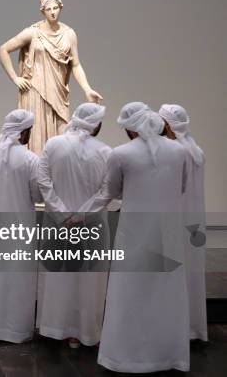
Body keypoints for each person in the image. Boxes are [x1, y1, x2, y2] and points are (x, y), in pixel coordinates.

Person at [80, 102, 189, 372]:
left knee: (131, 293)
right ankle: (168, 355)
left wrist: (80, 214)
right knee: (166, 293)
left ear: (130, 128)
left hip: (135, 233)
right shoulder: (179, 151)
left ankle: (126, 356)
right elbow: (182, 187)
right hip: (168, 233)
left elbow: (111, 192)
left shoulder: (120, 154)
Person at [36, 102, 112, 348]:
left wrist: (62, 214)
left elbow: (43, 182)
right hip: (92, 225)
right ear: (96, 124)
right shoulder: (105, 151)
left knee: (58, 276)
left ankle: (53, 327)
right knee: (88, 280)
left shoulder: (52, 145)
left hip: (57, 223)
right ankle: (84, 332)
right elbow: (107, 191)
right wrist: (82, 216)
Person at [0, 0, 103, 154]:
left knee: (61, 143)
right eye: (48, 9)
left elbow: (75, 64)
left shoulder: (69, 34)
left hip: (58, 94)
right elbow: (3, 49)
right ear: (42, 10)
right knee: (36, 141)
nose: (53, 12)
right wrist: (15, 78)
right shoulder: (33, 33)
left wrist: (87, 89)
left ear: (61, 7)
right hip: (35, 93)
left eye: (55, 7)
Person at [0, 109, 42, 343]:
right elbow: (37, 195)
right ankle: (14, 329)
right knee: (16, 279)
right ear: (24, 133)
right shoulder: (32, 160)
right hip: (19, 227)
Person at [159, 103, 207, 341]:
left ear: (167, 125)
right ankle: (190, 326)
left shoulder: (173, 151)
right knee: (189, 271)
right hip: (192, 220)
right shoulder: (194, 149)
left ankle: (174, 327)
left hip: (175, 218)